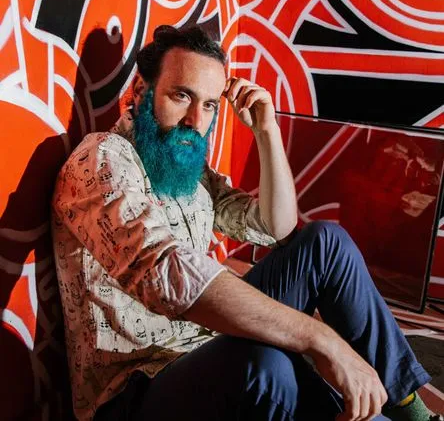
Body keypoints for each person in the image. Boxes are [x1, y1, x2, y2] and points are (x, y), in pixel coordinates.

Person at [52, 25, 440, 421]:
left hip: (202, 344)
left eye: (209, 105)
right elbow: (165, 272)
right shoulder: (102, 158)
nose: (195, 120)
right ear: (141, 90)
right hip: (134, 390)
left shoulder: (186, 169)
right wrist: (319, 337)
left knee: (326, 243)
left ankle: (412, 412)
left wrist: (266, 131)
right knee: (265, 366)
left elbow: (277, 228)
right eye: (181, 96)